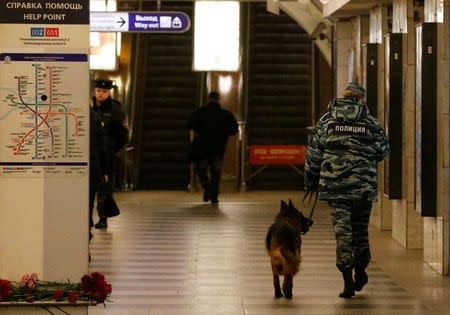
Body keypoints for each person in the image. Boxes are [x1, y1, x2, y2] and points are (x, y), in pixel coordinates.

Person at [304, 82, 390, 299]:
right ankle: (361, 270)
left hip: (336, 188)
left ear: (344, 97)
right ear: (361, 99)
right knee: (360, 231)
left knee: (343, 233)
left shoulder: (327, 120)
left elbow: (314, 153)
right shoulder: (370, 122)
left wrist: (312, 180)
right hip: (362, 188)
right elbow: (384, 150)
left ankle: (347, 281)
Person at [187, 91, 238, 204]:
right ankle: (214, 196)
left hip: (202, 149)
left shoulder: (200, 112)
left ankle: (207, 187)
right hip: (218, 148)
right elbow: (234, 129)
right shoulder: (225, 114)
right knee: (216, 172)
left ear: (208, 99)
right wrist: (223, 133)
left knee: (201, 170)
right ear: (218, 99)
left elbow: (189, 124)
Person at [92, 79, 128, 229]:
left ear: (109, 93)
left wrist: (112, 150)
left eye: (104, 91)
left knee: (105, 188)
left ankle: (103, 217)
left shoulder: (115, 110)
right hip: (91, 153)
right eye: (99, 91)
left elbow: (122, 135)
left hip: (106, 155)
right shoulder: (89, 107)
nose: (101, 94)